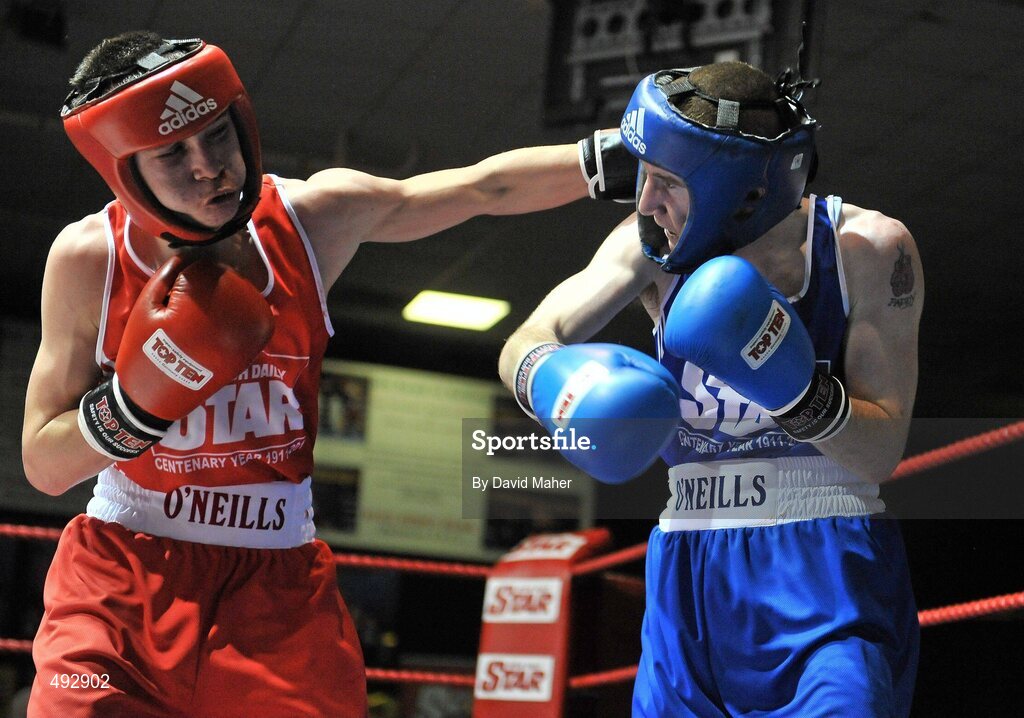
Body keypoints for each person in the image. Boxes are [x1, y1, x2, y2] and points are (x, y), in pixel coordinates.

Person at [20, 31, 607, 717]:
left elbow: (483, 188)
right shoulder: (91, 257)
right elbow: (44, 462)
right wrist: (135, 406)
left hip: (276, 592)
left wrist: (622, 155)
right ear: (126, 169)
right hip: (122, 585)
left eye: (217, 136)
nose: (210, 167)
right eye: (174, 154)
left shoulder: (311, 220)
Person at [500, 60, 923, 716]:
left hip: (823, 569)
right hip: (688, 570)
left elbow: (883, 451)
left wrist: (796, 393)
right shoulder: (647, 250)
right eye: (644, 174)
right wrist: (560, 381)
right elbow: (527, 339)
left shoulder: (866, 250)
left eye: (667, 181)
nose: (645, 202)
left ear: (739, 189)